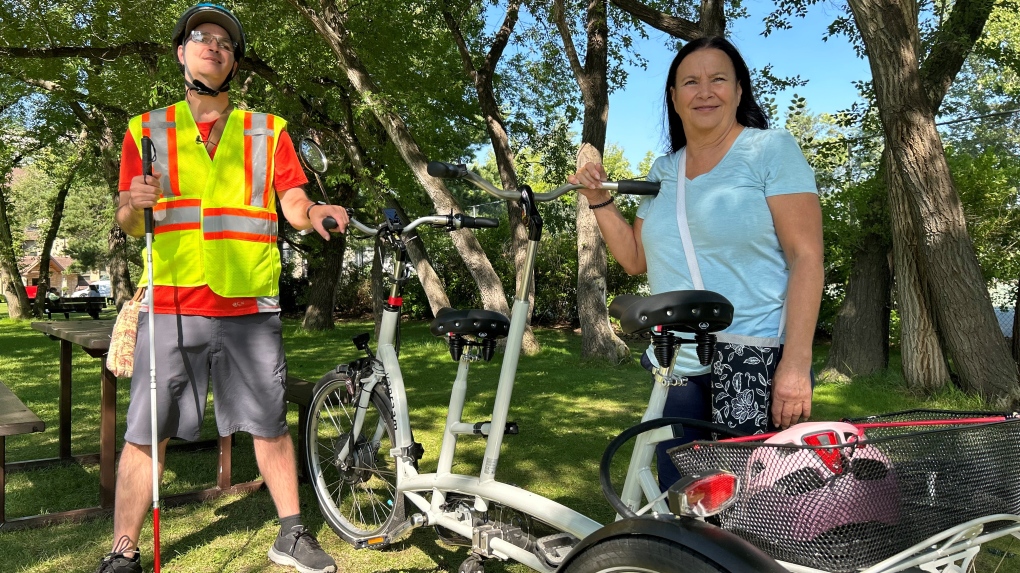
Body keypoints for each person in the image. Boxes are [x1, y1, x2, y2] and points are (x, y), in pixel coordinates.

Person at [97, 4, 349, 573]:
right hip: (172, 301)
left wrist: (316, 213)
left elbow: (292, 201)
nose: (214, 46)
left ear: (233, 62)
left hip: (248, 302)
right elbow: (130, 221)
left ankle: (290, 533)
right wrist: (133, 207)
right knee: (146, 429)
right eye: (201, 38)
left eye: (225, 43)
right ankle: (123, 551)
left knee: (269, 422)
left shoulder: (269, 129)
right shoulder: (146, 129)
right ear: (182, 53)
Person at [569, 36, 823, 490]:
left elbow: (807, 258)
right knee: (687, 499)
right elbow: (633, 259)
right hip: (679, 362)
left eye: (718, 79)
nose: (704, 91)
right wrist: (599, 200)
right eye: (690, 81)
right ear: (674, 97)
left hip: (755, 360)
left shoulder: (771, 151)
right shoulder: (664, 170)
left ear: (739, 90)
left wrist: (796, 366)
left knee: (754, 507)